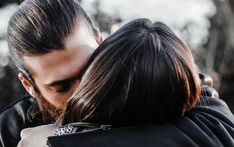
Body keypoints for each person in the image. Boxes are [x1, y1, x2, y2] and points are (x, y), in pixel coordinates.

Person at [18, 18, 234, 147]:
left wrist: (62, 137)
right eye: (61, 86)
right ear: (29, 86)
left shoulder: (195, 104)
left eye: (87, 73)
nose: (79, 91)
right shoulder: (12, 125)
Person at [0, 0, 103, 146]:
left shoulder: (141, 90)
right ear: (29, 85)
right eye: (63, 87)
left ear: (101, 42)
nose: (85, 93)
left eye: (90, 70)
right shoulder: (8, 133)